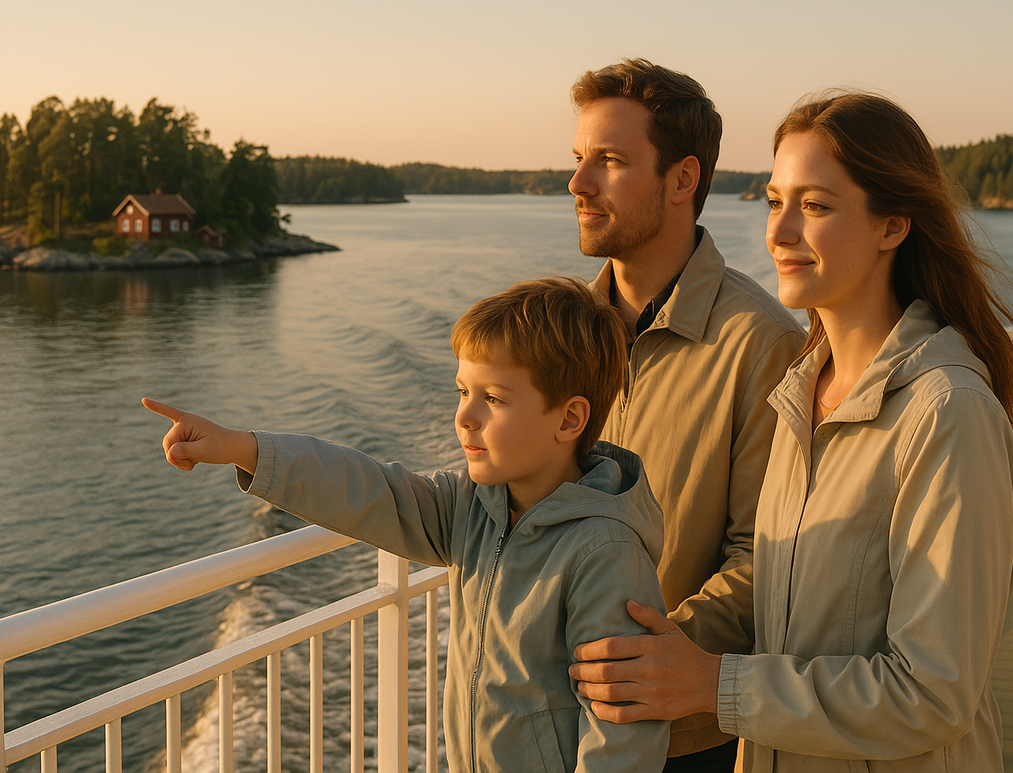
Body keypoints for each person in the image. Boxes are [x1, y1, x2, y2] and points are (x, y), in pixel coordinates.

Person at [569, 91, 1013, 772]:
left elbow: (934, 693)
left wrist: (711, 683)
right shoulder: (801, 395)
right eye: (773, 201)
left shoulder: (947, 413)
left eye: (815, 207)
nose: (779, 232)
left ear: (893, 224)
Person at [144, 277, 670, 773]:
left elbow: (623, 734)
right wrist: (246, 448)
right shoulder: (475, 506)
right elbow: (369, 489)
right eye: (463, 391)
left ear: (569, 420)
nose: (465, 417)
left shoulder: (605, 550)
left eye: (493, 399)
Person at [568, 58, 805, 771]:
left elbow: (766, 557)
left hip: (679, 735)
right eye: (579, 160)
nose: (578, 184)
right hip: (556, 718)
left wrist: (643, 657)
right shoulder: (562, 334)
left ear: (682, 179)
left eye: (609, 162)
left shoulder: (764, 343)